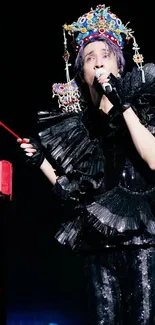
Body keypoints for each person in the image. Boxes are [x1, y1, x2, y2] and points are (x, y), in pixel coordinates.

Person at [17, 4, 155, 325]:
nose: (97, 62)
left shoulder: (142, 102)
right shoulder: (82, 126)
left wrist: (123, 105)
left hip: (142, 242)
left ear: (119, 64)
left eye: (104, 55)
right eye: (89, 58)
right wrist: (41, 162)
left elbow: (152, 157)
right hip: (98, 247)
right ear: (82, 72)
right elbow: (74, 192)